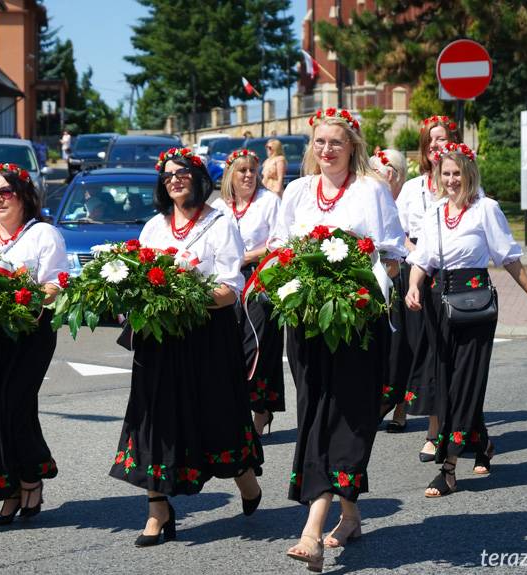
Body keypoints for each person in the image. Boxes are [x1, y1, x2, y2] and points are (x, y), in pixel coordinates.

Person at [271, 109, 406, 571]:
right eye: (320, 142)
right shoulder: (297, 192)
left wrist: (356, 288)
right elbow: (280, 248)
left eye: (336, 143)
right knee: (313, 410)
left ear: (353, 147)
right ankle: (349, 516)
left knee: (344, 415)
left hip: (354, 322)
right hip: (307, 322)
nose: (326, 150)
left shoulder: (370, 191)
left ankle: (311, 531)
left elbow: (392, 256)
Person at [109, 148, 263, 547]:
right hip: (159, 339)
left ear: (198, 177)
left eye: (182, 173)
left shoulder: (219, 224)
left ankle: (245, 480)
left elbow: (230, 289)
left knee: (218, 417)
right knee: (153, 419)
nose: (174, 179)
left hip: (207, 335)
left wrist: (185, 297)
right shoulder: (153, 228)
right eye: (167, 175)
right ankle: (157, 510)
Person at [405, 143, 527, 497]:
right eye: (446, 174)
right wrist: (413, 287)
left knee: (466, 380)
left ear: (469, 175)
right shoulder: (436, 212)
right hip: (439, 299)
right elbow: (423, 259)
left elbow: (509, 257)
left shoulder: (486, 209)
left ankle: (448, 467)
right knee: (446, 379)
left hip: (475, 301)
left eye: (458, 173)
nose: (452, 180)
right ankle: (482, 443)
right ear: (439, 177)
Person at [0, 162, 69, 525]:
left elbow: (55, 284)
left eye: (5, 192)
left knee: (14, 406)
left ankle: (30, 480)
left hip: (30, 333)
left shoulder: (43, 234)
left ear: (24, 196)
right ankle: (11, 490)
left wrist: (26, 298)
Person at [396, 116, 461, 461]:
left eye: (442, 139)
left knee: (454, 353)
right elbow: (398, 231)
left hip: (453, 271)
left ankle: (460, 428)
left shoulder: (460, 182)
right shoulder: (411, 188)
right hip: (420, 272)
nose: (436, 145)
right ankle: (435, 429)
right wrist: (417, 258)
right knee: (428, 352)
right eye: (431, 141)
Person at [211, 149, 284, 436]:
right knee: (228, 345)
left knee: (255, 348)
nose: (249, 176)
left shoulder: (269, 202)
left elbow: (279, 242)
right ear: (230, 174)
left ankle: (259, 410)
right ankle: (240, 411)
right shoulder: (220, 207)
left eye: (253, 170)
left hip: (260, 279)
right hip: (228, 282)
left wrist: (247, 256)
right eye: (242, 171)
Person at [368, 149, 410, 431]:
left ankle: (399, 406)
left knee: (401, 344)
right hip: (377, 275)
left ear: (392, 173)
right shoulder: (370, 198)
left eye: (377, 171)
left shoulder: (404, 200)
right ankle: (382, 397)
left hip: (401, 275)